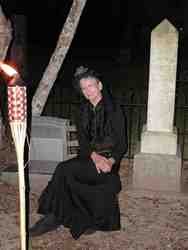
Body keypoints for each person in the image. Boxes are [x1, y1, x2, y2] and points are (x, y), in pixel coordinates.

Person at [29, 66, 128, 240]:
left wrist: (110, 162)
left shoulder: (114, 109)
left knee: (66, 171)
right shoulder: (81, 110)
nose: (88, 91)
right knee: (64, 169)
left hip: (109, 159)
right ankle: (55, 216)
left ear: (100, 86)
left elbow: (122, 145)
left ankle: (54, 217)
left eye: (91, 86)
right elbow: (83, 142)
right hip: (89, 156)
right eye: (84, 88)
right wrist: (94, 156)